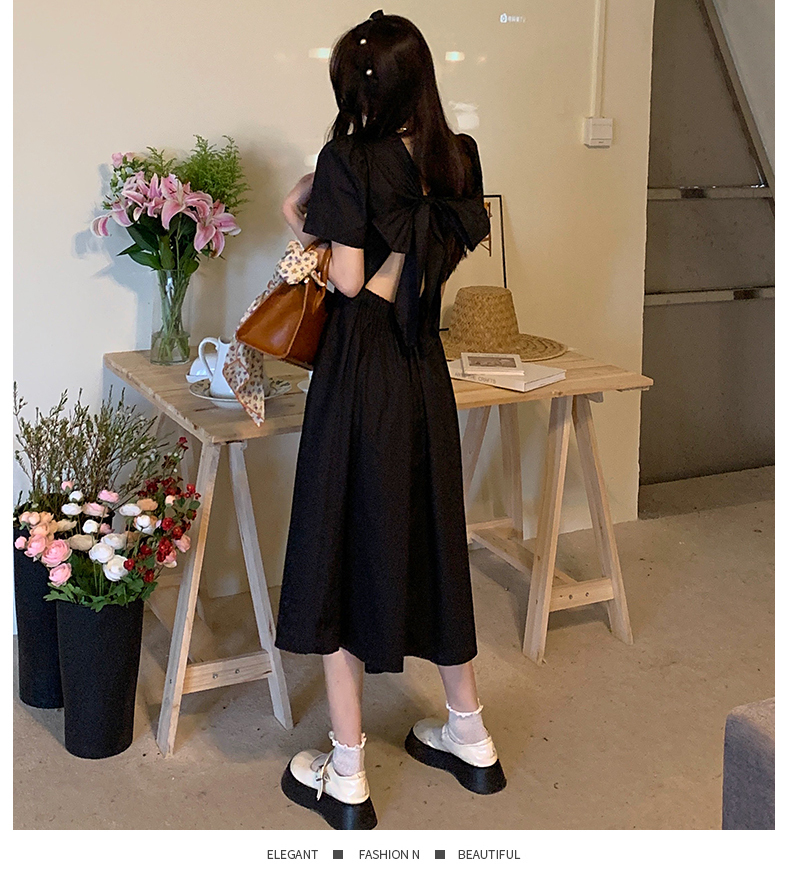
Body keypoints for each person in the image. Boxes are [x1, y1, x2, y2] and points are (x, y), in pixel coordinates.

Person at [274, 10, 506, 831]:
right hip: (421, 368)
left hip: (360, 369)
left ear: (359, 86)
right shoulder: (458, 155)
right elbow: (420, 262)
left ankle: (346, 773)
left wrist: (298, 209)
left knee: (342, 547)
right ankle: (470, 735)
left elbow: (347, 284)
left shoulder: (348, 158)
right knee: (433, 535)